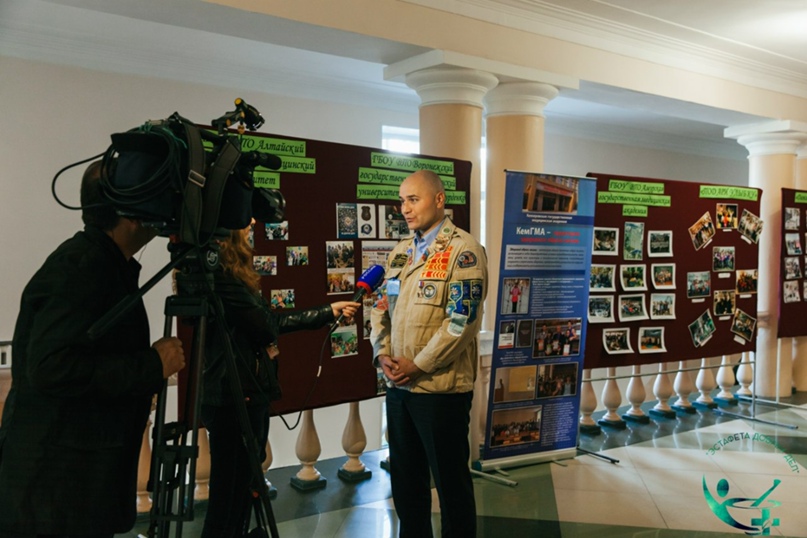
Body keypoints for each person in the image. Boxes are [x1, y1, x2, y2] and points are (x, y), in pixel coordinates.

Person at [0, 161, 186, 537]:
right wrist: (150, 364)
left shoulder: (101, 263)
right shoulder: (81, 267)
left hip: (71, 487)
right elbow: (51, 367)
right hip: (55, 495)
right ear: (129, 213)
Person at [199, 223, 359, 538]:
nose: (253, 224)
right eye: (245, 219)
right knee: (228, 490)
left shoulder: (232, 275)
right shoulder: (223, 277)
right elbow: (266, 327)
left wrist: (328, 310)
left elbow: (269, 323)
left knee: (243, 483)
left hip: (244, 391)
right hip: (234, 395)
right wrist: (326, 311)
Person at [370, 169, 488, 537]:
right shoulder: (401, 252)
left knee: (450, 484)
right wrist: (381, 354)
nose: (404, 208)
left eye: (413, 199)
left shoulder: (463, 250)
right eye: (402, 200)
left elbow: (461, 321)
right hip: (399, 389)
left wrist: (418, 365)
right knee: (406, 484)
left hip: (440, 391)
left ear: (439, 200)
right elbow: (380, 308)